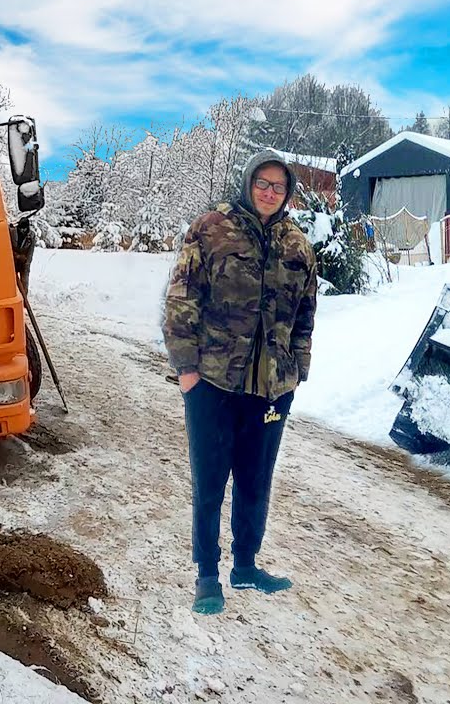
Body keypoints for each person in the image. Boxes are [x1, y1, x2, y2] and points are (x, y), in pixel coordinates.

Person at [161, 151, 318, 615]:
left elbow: (305, 315)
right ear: (248, 182)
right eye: (262, 183)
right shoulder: (210, 229)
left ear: (287, 194)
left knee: (255, 480)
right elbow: (180, 300)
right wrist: (187, 370)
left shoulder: (298, 246)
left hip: (271, 389)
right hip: (212, 383)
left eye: (278, 187)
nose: (269, 192)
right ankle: (207, 573)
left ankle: (246, 564)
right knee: (210, 481)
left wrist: (296, 370)